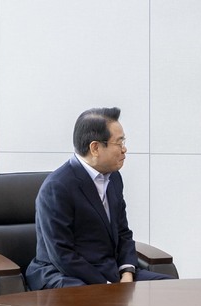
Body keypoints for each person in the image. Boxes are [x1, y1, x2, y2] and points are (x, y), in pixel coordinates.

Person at [25, 107, 172, 289]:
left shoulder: (114, 178)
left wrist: (127, 273)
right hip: (63, 274)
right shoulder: (57, 187)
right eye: (119, 142)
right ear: (95, 148)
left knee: (169, 288)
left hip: (109, 271)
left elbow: (123, 233)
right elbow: (61, 254)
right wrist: (106, 286)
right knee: (89, 298)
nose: (124, 149)